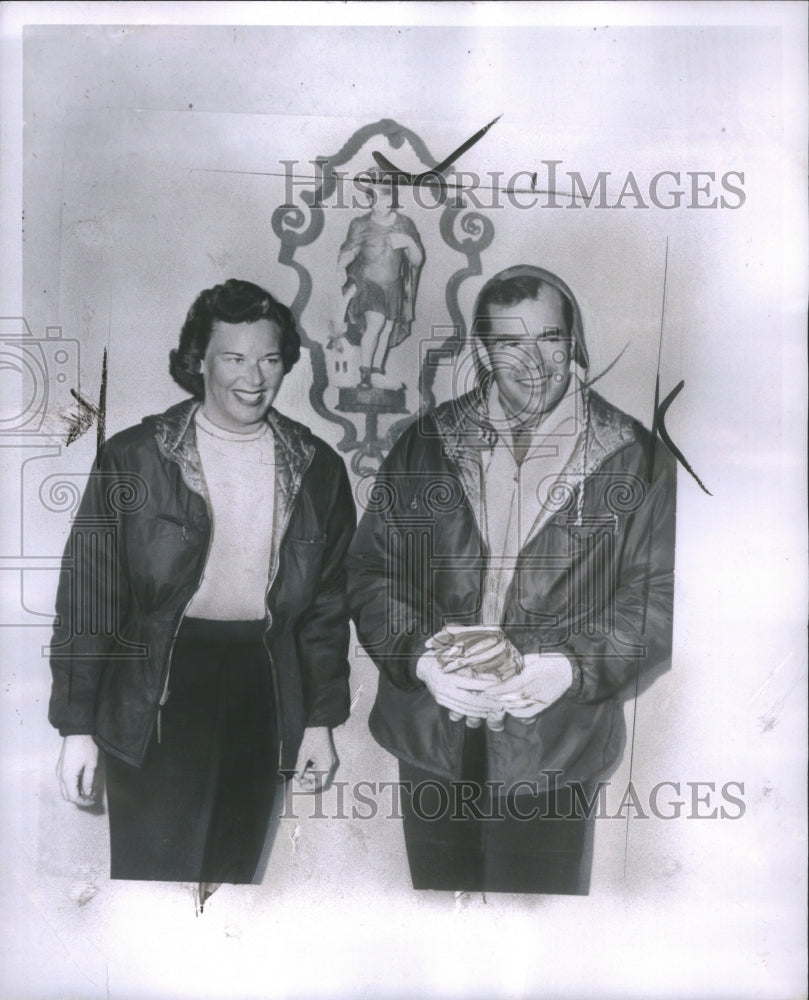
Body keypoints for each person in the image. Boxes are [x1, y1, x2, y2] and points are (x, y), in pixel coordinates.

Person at [346, 264, 676, 895]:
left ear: (573, 342)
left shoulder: (634, 455)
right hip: (432, 736)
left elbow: (657, 604)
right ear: (483, 350)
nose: (534, 362)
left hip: (554, 744)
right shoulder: (426, 444)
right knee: (441, 934)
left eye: (549, 339)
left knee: (534, 939)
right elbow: (373, 572)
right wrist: (421, 661)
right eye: (509, 343)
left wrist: (569, 668)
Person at [48, 279, 356, 902]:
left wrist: (320, 721)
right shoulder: (134, 458)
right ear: (200, 361)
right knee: (154, 891)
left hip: (263, 686)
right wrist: (76, 727)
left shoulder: (317, 467)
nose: (254, 377)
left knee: (231, 883)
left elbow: (326, 608)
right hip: (157, 688)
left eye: (269, 359)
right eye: (234, 358)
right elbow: (90, 595)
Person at [335, 176, 424, 387]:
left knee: (387, 329)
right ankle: (364, 374)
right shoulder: (360, 224)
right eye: (376, 198)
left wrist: (409, 242)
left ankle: (376, 371)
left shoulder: (405, 224)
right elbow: (350, 250)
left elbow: (417, 260)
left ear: (392, 199)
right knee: (376, 323)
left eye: (386, 198)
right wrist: (340, 265)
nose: (381, 203)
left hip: (393, 287)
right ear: (369, 200)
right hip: (369, 285)